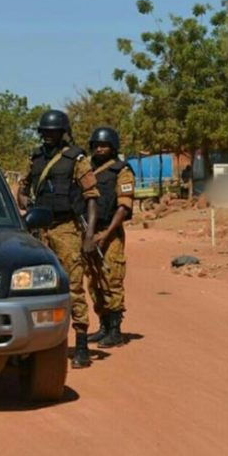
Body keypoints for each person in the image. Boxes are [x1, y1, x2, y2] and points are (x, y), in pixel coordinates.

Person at [17, 110, 99, 369]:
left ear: (62, 132)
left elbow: (92, 197)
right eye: (45, 132)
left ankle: (82, 344)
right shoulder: (36, 158)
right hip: (40, 229)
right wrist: (26, 205)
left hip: (67, 229)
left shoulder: (77, 159)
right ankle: (34, 345)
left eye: (53, 132)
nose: (48, 136)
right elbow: (22, 189)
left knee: (74, 285)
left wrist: (88, 235)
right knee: (33, 286)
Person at [84, 127, 135, 348]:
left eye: (104, 145)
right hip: (89, 232)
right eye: (96, 145)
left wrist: (106, 235)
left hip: (109, 232)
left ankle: (115, 329)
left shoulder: (121, 171)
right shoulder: (86, 169)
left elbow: (124, 207)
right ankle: (103, 325)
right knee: (94, 280)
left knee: (111, 278)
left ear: (113, 147)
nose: (100, 148)